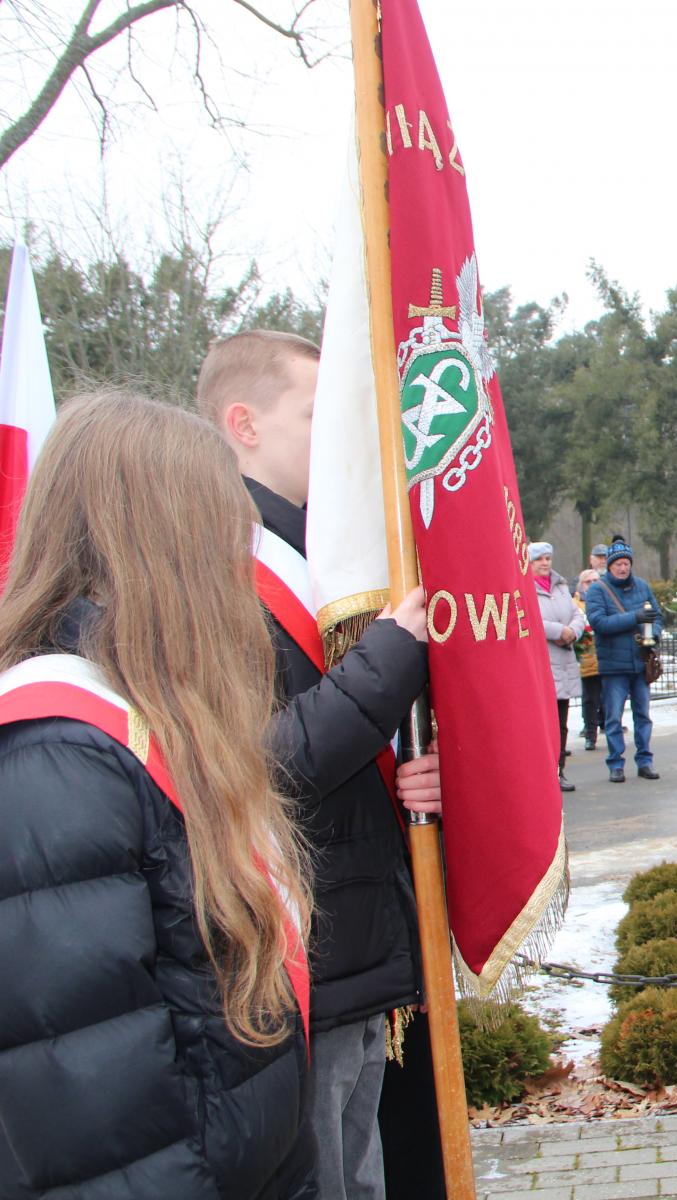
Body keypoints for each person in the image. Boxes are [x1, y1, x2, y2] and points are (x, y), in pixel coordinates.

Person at [0, 392, 317, 1198]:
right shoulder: (57, 757)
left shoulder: (135, 713)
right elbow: (95, 1123)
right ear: (167, 546)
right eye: (225, 534)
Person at [199, 330, 443, 1200]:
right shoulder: (211, 569)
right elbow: (252, 769)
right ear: (243, 424)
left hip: (359, 934)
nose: (337, 438)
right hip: (296, 957)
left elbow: (339, 731)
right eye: (315, 415)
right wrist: (390, 658)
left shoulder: (317, 552)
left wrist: (411, 769)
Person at [585, 539, 662, 784]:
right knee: (613, 717)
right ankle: (616, 763)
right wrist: (634, 617)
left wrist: (654, 634)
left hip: (640, 662)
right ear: (609, 566)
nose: (623, 568)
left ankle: (645, 761)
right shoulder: (598, 590)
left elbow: (657, 616)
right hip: (614, 666)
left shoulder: (642, 586)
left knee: (643, 715)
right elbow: (599, 623)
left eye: (626, 563)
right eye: (618, 564)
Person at [532, 542, 585, 793]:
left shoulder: (561, 586)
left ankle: (559, 769)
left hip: (564, 660)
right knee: (542, 724)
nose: (545, 563)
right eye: (539, 559)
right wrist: (557, 631)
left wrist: (571, 631)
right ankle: (542, 771)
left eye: (547, 558)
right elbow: (529, 618)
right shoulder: (525, 587)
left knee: (561, 723)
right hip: (543, 662)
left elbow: (577, 615)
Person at [577, 545, 608, 750]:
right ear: (581, 585)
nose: (593, 585)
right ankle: (590, 733)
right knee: (590, 699)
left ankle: (610, 726)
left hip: (607, 655)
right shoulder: (576, 604)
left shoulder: (607, 600)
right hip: (587, 658)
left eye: (596, 581)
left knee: (610, 696)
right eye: (588, 582)